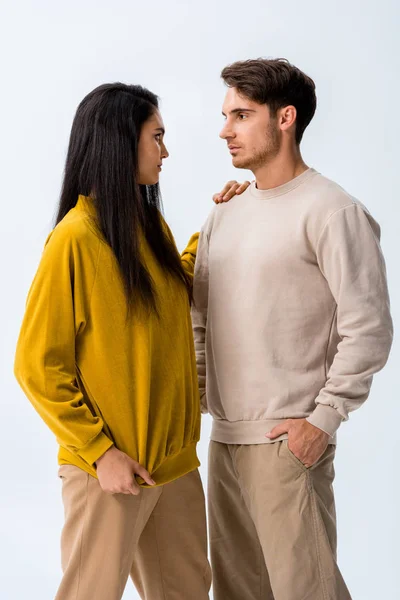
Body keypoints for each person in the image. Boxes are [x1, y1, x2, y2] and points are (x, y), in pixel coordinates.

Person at [14, 82, 247, 600]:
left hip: (175, 468)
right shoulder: (74, 239)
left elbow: (176, 289)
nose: (165, 152)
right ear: (122, 141)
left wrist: (216, 225)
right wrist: (100, 454)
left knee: (187, 592)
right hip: (111, 472)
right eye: (156, 137)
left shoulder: (147, 226)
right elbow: (37, 366)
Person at [192, 58, 393, 600]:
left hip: (288, 441)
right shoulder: (223, 215)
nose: (224, 129)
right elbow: (201, 321)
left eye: (240, 115)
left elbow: (369, 328)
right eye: (225, 115)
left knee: (308, 591)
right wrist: (201, 401)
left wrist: (322, 421)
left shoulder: (333, 211)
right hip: (225, 439)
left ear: (285, 118)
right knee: (236, 592)